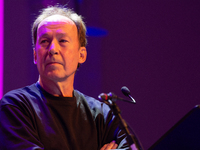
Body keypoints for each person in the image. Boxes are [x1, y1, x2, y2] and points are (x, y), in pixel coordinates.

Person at [0, 5, 133, 150]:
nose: (52, 49)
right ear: (35, 56)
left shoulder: (101, 114)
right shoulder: (15, 106)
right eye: (45, 41)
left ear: (81, 55)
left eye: (62, 41)